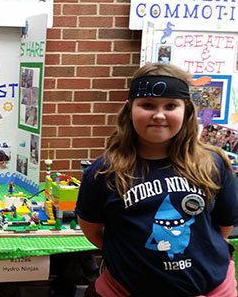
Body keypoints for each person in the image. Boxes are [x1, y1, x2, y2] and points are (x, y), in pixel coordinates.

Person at [76, 63, 238, 297]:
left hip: (211, 289)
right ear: (129, 109)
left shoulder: (213, 164)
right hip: (123, 290)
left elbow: (222, 229)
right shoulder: (104, 172)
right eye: (148, 105)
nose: (159, 115)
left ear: (187, 110)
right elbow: (93, 230)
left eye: (171, 105)